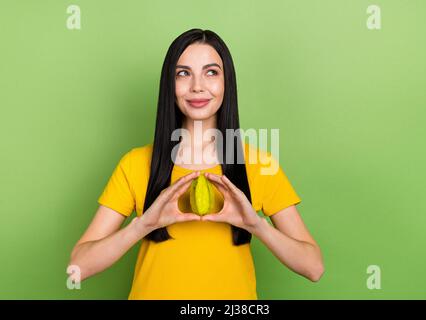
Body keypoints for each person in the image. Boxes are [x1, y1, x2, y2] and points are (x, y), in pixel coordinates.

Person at [67, 28, 324, 300]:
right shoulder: (136, 163)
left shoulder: (259, 164)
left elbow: (313, 267)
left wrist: (256, 225)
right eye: (183, 73)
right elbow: (78, 267)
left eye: (211, 72)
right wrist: (142, 226)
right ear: (170, 84)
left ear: (227, 83)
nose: (197, 86)